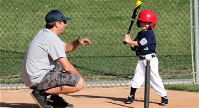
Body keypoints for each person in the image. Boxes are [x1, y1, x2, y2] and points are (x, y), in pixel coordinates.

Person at [22, 10, 91, 108]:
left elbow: (65, 48)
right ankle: (41, 93)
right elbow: (66, 67)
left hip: (34, 76)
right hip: (38, 79)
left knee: (58, 63)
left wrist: (77, 41)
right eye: (64, 22)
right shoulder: (51, 39)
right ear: (57, 24)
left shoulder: (45, 33)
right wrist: (78, 77)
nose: (65, 25)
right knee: (79, 83)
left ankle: (55, 99)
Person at [123, 10, 168, 106]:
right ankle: (131, 96)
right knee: (136, 78)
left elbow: (141, 44)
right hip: (141, 60)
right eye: (142, 21)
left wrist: (130, 41)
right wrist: (129, 42)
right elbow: (134, 47)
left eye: (146, 22)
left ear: (152, 23)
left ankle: (164, 97)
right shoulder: (140, 34)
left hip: (151, 60)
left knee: (155, 78)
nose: (143, 24)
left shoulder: (150, 34)